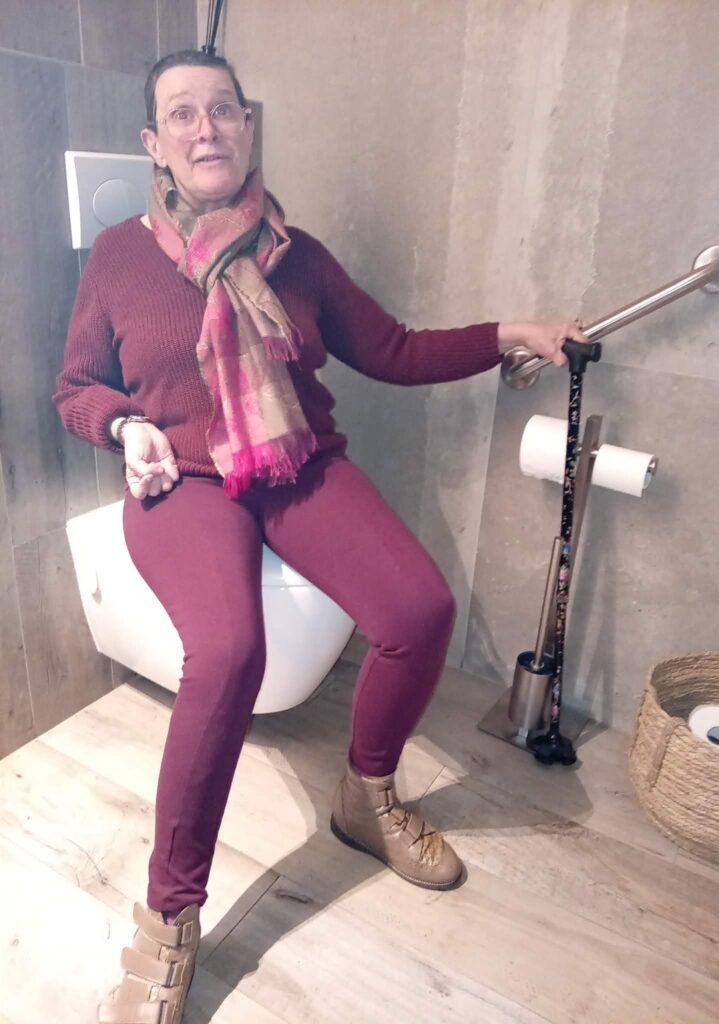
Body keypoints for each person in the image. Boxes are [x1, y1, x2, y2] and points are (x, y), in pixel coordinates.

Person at [54, 48, 587, 1024]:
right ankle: (169, 916)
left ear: (247, 127)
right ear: (154, 145)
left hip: (293, 462)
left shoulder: (295, 254)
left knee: (419, 610)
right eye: (184, 114)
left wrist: (514, 331)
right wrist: (126, 428)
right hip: (182, 481)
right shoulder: (119, 258)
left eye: (223, 109)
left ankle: (365, 793)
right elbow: (76, 387)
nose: (207, 128)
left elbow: (394, 349)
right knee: (229, 652)